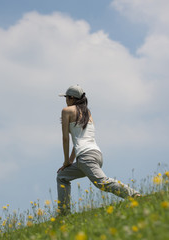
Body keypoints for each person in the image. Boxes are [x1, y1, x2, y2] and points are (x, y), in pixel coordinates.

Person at [56, 85, 140, 215]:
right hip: (96, 155)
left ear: (71, 98)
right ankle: (64, 214)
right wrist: (70, 162)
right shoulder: (87, 113)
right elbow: (78, 141)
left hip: (86, 157)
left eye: (66, 97)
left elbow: (65, 139)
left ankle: (134, 196)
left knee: (102, 183)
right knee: (62, 176)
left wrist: (66, 160)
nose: (65, 100)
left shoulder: (66, 111)